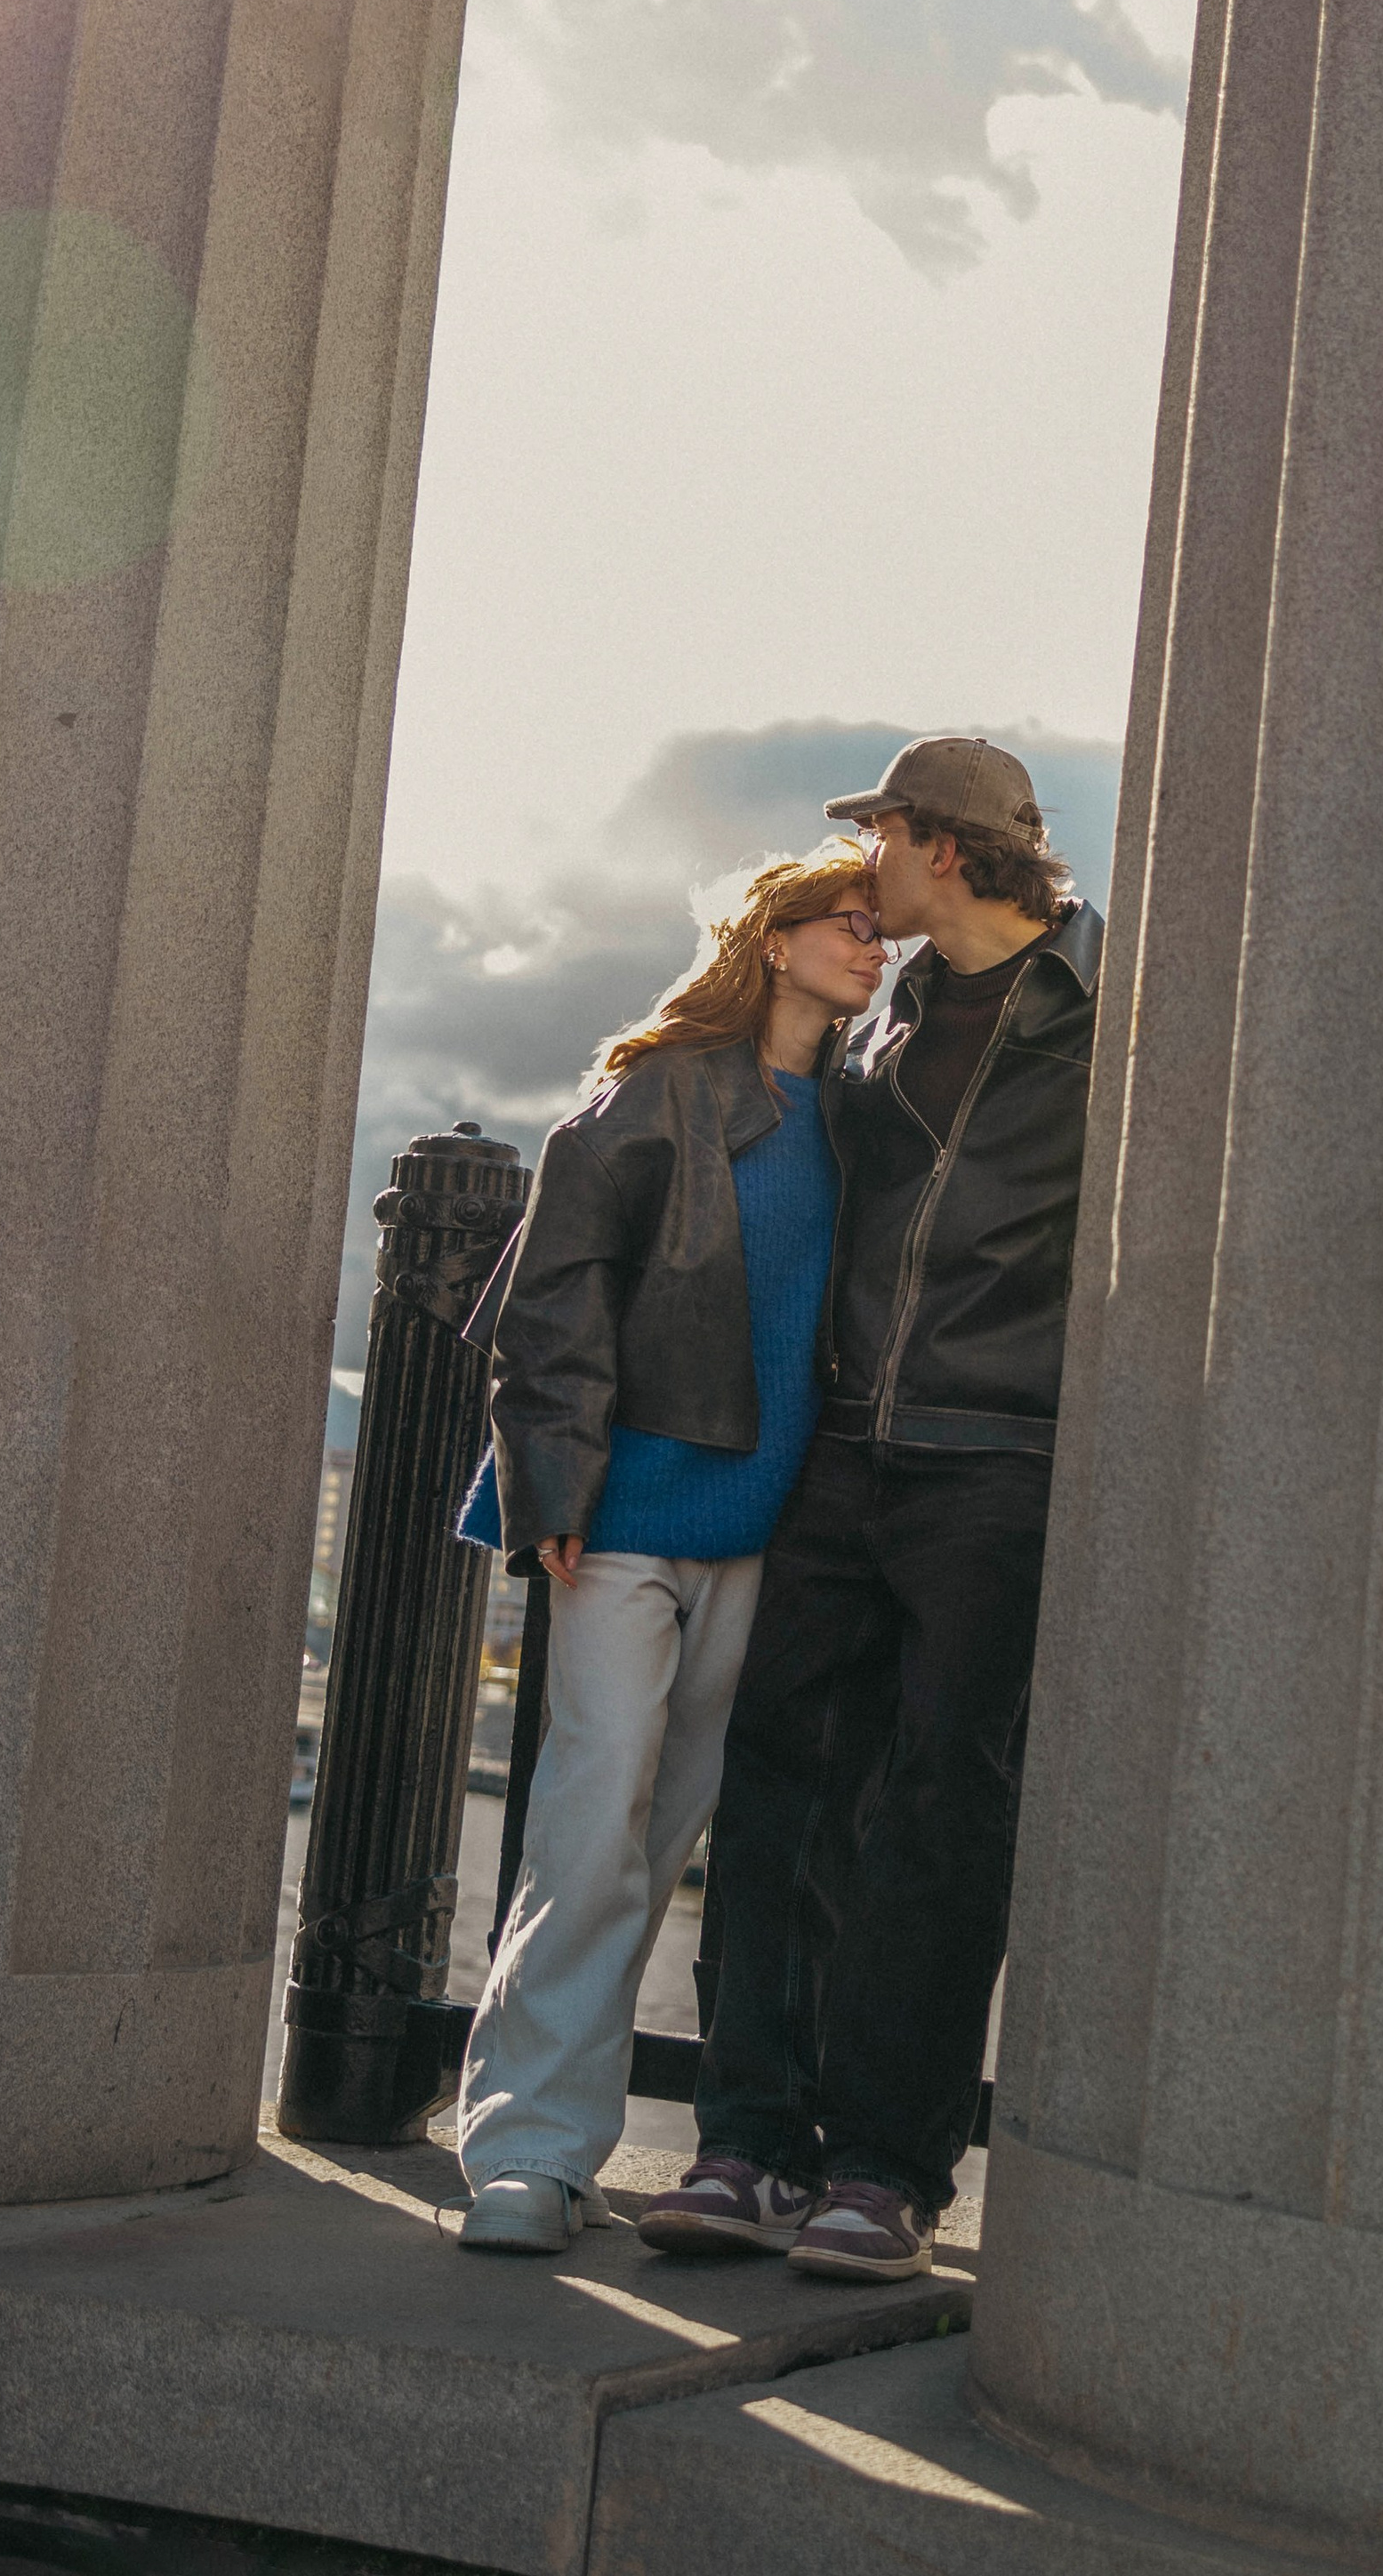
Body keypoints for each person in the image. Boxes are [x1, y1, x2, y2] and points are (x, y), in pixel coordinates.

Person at [639, 736, 1100, 2281]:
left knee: (938, 1806)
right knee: (775, 1778)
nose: (869, 869)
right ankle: (748, 2137)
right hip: (847, 1445)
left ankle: (888, 2169)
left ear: (947, 852)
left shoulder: (1114, 1012)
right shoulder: (884, 1006)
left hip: (998, 1456)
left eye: (884, 839)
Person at [447, 845, 888, 2254]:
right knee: (590, 1826)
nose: (875, 949)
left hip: (772, 1538)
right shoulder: (657, 1092)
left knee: (674, 1830)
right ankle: (524, 2149)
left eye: (884, 931)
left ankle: (588, 2143)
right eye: (850, 926)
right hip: (626, 1518)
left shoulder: (869, 1117)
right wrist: (559, 1481)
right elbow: (555, 1295)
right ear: (775, 938)